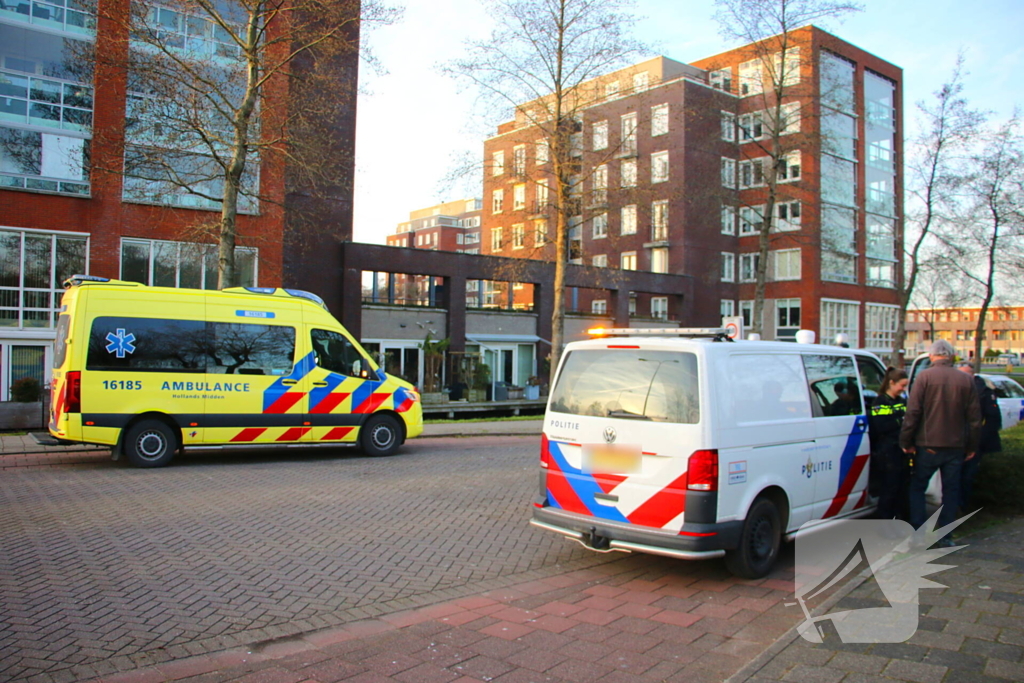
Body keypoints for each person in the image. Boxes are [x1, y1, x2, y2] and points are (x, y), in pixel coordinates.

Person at [899, 340, 982, 546]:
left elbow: (913, 412)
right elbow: (974, 418)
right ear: (951, 356)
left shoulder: (924, 377)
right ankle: (946, 536)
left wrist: (906, 441)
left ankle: (918, 535)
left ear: (932, 355)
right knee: (951, 491)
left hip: (927, 444)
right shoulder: (965, 380)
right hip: (955, 446)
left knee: (918, 487)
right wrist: (971, 447)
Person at [955, 361, 1001, 511]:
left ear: (972, 375)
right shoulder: (953, 390)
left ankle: (962, 508)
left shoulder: (984, 392)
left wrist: (977, 442)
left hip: (974, 443)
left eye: (965, 374)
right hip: (955, 441)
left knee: (966, 477)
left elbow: (993, 419)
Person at [868, 367, 909, 520]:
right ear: (891, 383)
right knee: (889, 489)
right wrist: (901, 420)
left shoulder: (901, 401)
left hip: (901, 450)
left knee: (900, 489)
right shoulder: (880, 402)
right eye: (902, 385)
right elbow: (881, 426)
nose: (903, 389)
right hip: (887, 452)